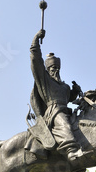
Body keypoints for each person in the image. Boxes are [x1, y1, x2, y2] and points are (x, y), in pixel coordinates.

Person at [28, 29, 83, 161]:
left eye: (57, 68)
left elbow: (68, 98)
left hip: (66, 110)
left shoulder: (65, 86)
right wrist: (36, 39)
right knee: (63, 123)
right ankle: (71, 150)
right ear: (47, 69)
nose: (56, 70)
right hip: (54, 112)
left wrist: (75, 92)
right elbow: (36, 61)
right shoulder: (45, 80)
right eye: (53, 68)